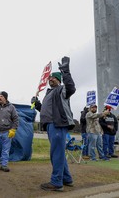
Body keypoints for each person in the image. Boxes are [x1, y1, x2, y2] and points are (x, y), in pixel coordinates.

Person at [38, 56, 76, 192]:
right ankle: (67, 179)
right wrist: (38, 105)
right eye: (49, 78)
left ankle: (56, 182)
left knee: (56, 154)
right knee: (58, 153)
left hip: (58, 125)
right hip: (50, 125)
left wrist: (65, 71)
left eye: (53, 77)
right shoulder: (49, 93)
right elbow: (47, 110)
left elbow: (71, 88)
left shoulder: (61, 90)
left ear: (59, 80)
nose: (50, 79)